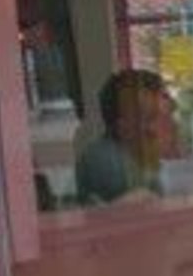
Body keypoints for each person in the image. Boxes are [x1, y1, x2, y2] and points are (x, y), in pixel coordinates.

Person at [75, 69, 179, 205]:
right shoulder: (108, 162)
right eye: (151, 118)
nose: (172, 126)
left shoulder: (139, 158)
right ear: (122, 125)